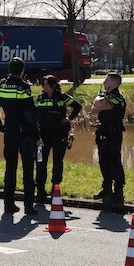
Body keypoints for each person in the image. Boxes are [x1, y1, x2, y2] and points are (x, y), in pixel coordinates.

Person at [0, 57, 36, 214]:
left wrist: (1, 127)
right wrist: (37, 134)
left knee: (10, 169)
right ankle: (28, 206)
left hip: (9, 132)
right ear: (22, 70)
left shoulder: (1, 85)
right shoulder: (23, 87)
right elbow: (29, 114)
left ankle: (8, 205)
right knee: (28, 170)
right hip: (24, 133)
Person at [34, 74, 82, 205]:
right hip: (42, 136)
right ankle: (40, 190)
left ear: (53, 86)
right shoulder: (40, 98)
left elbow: (77, 106)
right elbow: (35, 113)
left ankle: (56, 187)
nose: (43, 87)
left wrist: (69, 118)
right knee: (40, 162)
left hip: (59, 134)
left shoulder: (62, 98)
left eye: (45, 84)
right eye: (42, 84)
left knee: (57, 161)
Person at [90, 72, 127, 210]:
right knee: (103, 162)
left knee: (114, 162)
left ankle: (118, 193)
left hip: (113, 133)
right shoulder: (105, 95)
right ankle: (106, 189)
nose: (104, 82)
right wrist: (102, 105)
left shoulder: (119, 97)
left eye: (106, 80)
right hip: (103, 132)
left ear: (114, 83)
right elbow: (94, 107)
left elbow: (99, 104)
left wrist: (101, 105)